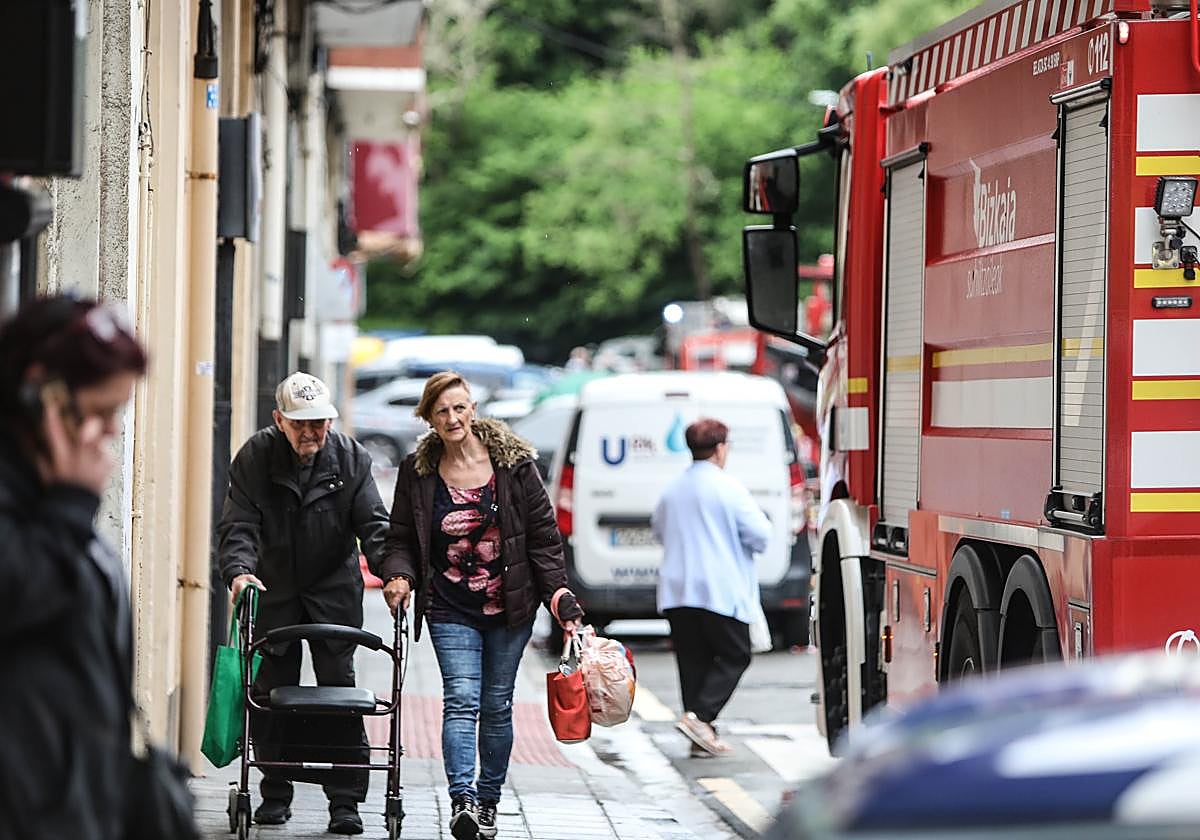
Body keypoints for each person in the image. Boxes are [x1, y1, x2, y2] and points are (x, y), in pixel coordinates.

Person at [379, 371, 583, 840]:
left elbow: (543, 538)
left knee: (496, 705)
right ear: (429, 418)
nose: (452, 418)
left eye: (459, 408)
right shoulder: (417, 471)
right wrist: (399, 576)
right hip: (449, 606)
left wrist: (558, 595)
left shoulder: (514, 465)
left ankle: (488, 799)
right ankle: (463, 801)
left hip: (511, 607)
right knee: (461, 699)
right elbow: (401, 538)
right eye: (441, 411)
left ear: (472, 409)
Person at [0, 295, 158, 838]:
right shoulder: (45, 499)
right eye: (100, 410)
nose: (111, 430)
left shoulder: (49, 488)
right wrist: (70, 505)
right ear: (39, 394)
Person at [217, 371, 390, 835]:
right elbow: (239, 526)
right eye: (300, 423)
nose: (311, 431)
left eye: (319, 422)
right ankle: (275, 790)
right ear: (279, 420)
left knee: (340, 691)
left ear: (330, 420)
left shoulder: (352, 458)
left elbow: (374, 525)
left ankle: (345, 801)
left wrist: (394, 574)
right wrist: (239, 572)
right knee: (273, 692)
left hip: (333, 592)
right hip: (273, 589)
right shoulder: (256, 456)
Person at [651, 418, 771, 757]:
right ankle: (701, 717)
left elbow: (658, 530)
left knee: (693, 660)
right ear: (720, 449)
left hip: (677, 588)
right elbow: (761, 535)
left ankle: (699, 737)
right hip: (719, 588)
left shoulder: (673, 490)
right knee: (736, 654)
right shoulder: (728, 487)